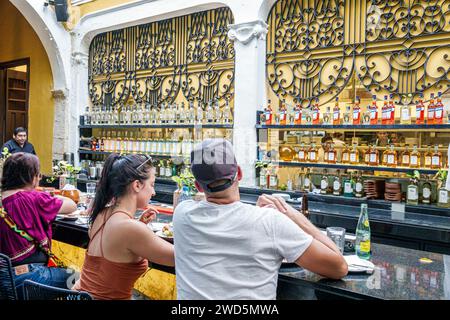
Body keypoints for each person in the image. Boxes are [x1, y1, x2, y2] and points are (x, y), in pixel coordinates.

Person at [173, 139, 348, 300]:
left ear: (198, 186)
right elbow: (339, 268)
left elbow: (215, 211)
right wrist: (292, 215)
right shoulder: (270, 221)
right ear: (239, 173)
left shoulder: (182, 214)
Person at [73, 154, 174, 300]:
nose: (154, 192)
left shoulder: (101, 214)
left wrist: (139, 225)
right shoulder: (130, 229)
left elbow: (111, 257)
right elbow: (179, 257)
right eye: (152, 184)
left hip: (77, 294)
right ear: (137, 185)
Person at [0, 153, 77, 298]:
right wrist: (52, 195)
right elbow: (71, 205)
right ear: (31, 176)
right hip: (30, 277)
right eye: (38, 174)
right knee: (78, 278)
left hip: (5, 280)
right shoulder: (33, 198)